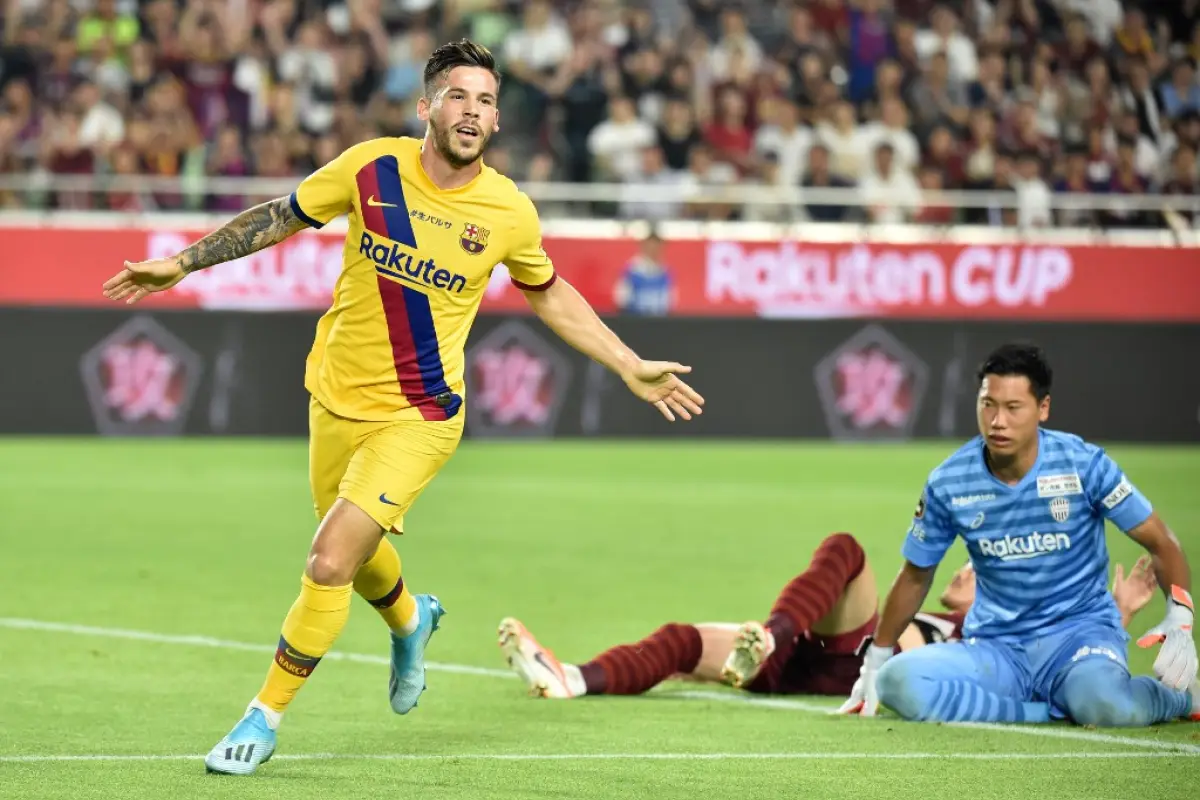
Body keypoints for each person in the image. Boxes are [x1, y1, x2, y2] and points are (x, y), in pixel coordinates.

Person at [101, 40, 705, 775]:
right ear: (427, 107)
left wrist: (627, 362)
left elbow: (548, 292)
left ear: (495, 120)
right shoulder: (370, 167)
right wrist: (185, 260)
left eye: (485, 101)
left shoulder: (507, 210)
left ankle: (264, 716)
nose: (473, 112)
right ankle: (411, 619)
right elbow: (283, 215)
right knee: (354, 559)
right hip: (333, 396)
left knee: (327, 560)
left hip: (421, 416)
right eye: (459, 96)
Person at [839, 343, 1198, 727]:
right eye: (988, 404)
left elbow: (1161, 542)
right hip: (997, 648)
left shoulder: (1083, 465)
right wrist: (875, 662)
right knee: (899, 681)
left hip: (1079, 638)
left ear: (1042, 408)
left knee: (1106, 707)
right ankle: (1040, 712)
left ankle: (1179, 696)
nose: (997, 421)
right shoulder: (950, 481)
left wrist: (1180, 619)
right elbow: (916, 573)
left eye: (1013, 408)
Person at [497, 531, 1159, 700]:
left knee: (845, 548)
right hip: (816, 667)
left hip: (865, 662)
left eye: (980, 575)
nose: (965, 570)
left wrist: (1114, 621)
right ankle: (572, 679)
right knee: (678, 641)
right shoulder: (932, 609)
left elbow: (1064, 660)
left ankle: (770, 635)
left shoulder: (990, 634)